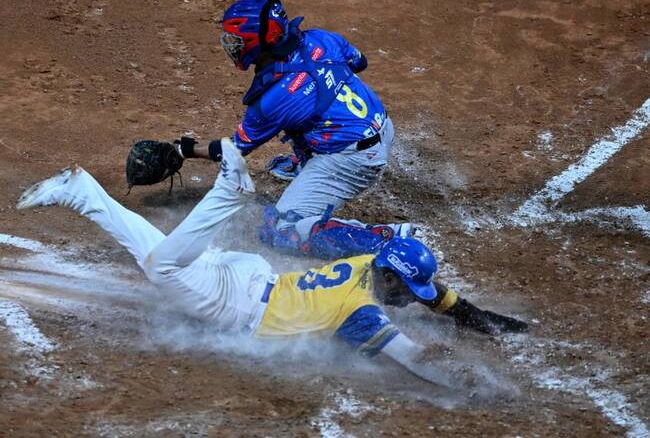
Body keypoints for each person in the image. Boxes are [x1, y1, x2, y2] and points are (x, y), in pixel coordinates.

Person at [17, 138, 527, 386]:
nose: (407, 302)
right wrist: (477, 386)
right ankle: (226, 193)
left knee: (157, 252)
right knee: (162, 265)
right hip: (231, 304)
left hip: (246, 277)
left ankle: (81, 192)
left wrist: (497, 326)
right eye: (404, 292)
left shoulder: (373, 260)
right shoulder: (360, 314)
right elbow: (416, 360)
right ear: (391, 275)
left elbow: (444, 300)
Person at [172, 0, 410, 260]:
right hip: (383, 127)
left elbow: (232, 150)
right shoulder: (321, 38)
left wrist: (184, 150)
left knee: (281, 231)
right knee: (317, 112)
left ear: (255, 42)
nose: (231, 44)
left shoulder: (273, 99)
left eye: (236, 38)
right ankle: (308, 160)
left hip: (354, 161)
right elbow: (359, 62)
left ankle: (384, 239)